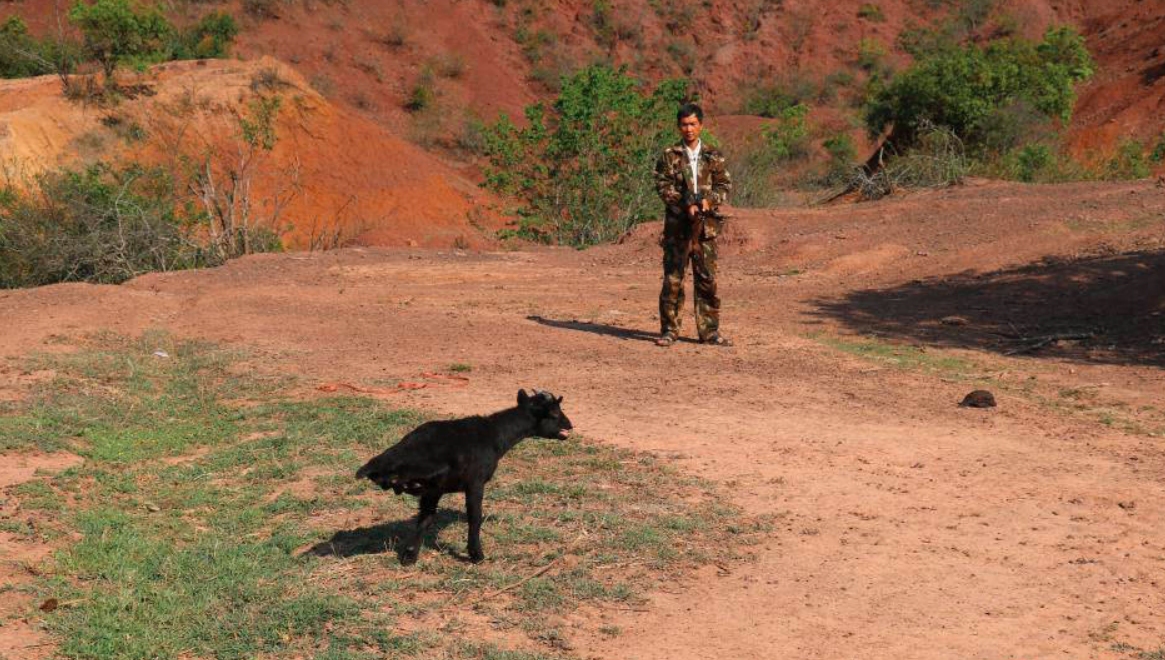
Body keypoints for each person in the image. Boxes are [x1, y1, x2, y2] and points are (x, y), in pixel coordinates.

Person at [653, 102, 732, 347]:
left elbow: (724, 185)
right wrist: (683, 203)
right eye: (684, 124)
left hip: (706, 228)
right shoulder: (669, 155)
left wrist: (709, 202)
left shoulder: (713, 154)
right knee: (673, 280)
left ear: (701, 125)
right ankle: (669, 331)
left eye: (693, 124)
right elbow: (662, 185)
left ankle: (710, 332)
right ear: (679, 126)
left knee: (707, 279)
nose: (688, 129)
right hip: (678, 227)